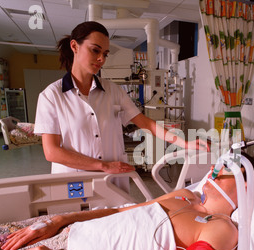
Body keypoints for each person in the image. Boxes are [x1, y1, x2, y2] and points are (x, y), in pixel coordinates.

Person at [0, 153, 254, 250]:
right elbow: (119, 211)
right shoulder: (183, 196)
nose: (214, 169)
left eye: (226, 169)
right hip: (58, 239)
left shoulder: (221, 230)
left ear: (246, 186)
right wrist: (58, 221)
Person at [34, 21, 208, 191]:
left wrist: (185, 143)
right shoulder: (51, 96)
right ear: (74, 46)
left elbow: (146, 124)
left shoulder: (113, 91)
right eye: (95, 50)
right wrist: (103, 166)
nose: (101, 59)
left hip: (113, 179)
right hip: (75, 182)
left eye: (105, 53)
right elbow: (52, 152)